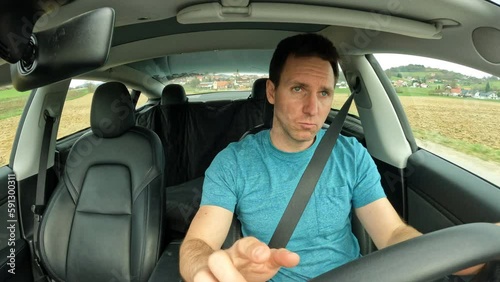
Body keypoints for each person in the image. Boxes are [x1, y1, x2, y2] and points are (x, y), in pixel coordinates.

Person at [179, 33, 490, 282]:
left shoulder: (351, 155)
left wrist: (458, 252)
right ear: (272, 92)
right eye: (299, 88)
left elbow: (392, 233)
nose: (313, 108)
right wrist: (205, 268)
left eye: (324, 93)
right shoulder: (233, 163)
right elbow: (197, 245)